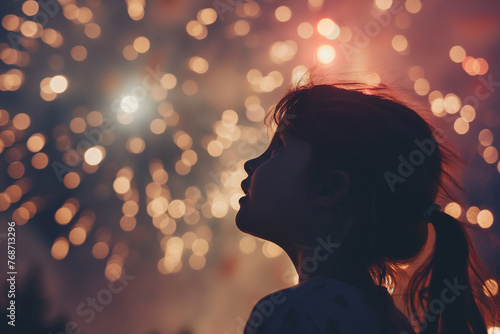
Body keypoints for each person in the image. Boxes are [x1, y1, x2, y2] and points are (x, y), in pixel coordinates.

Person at [235, 80, 500, 333]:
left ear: (329, 188)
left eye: (279, 147)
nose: (252, 163)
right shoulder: (391, 320)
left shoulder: (295, 314)